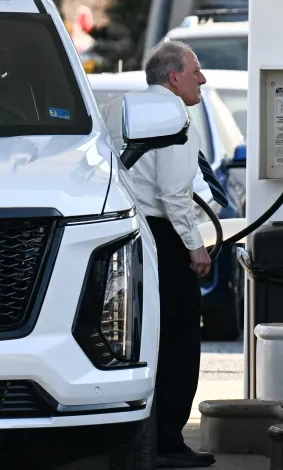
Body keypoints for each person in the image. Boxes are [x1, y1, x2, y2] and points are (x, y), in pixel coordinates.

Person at [101, 41, 214, 468]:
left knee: (134, 338)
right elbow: (173, 194)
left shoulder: (117, 109)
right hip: (165, 238)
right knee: (181, 339)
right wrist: (195, 246)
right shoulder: (175, 116)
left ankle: (137, 437)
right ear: (174, 77)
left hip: (125, 234)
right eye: (196, 71)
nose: (202, 79)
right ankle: (169, 442)